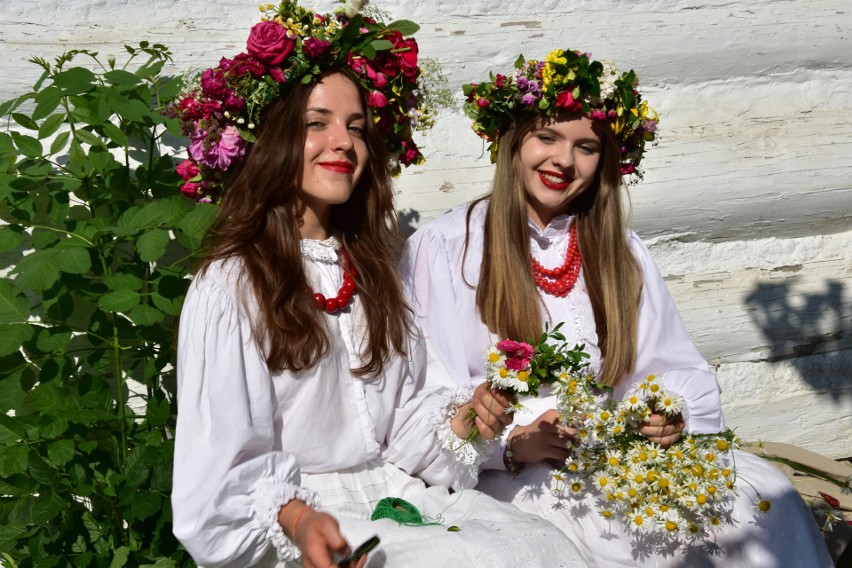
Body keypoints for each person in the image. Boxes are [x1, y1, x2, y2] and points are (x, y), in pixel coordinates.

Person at [170, 4, 589, 567]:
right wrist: (299, 519)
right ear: (268, 140)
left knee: (541, 550)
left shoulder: (373, 273)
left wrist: (469, 419)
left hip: (397, 497)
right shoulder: (233, 285)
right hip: (301, 525)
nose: (343, 142)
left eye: (357, 128)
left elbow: (406, 422)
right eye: (316, 123)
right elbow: (217, 481)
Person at [400, 48, 834, 567]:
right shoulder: (450, 247)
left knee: (757, 502)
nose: (564, 160)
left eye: (585, 147)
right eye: (547, 137)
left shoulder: (618, 250)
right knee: (638, 537)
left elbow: (669, 366)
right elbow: (425, 396)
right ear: (512, 141)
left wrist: (665, 416)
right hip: (515, 472)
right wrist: (514, 443)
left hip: (615, 453)